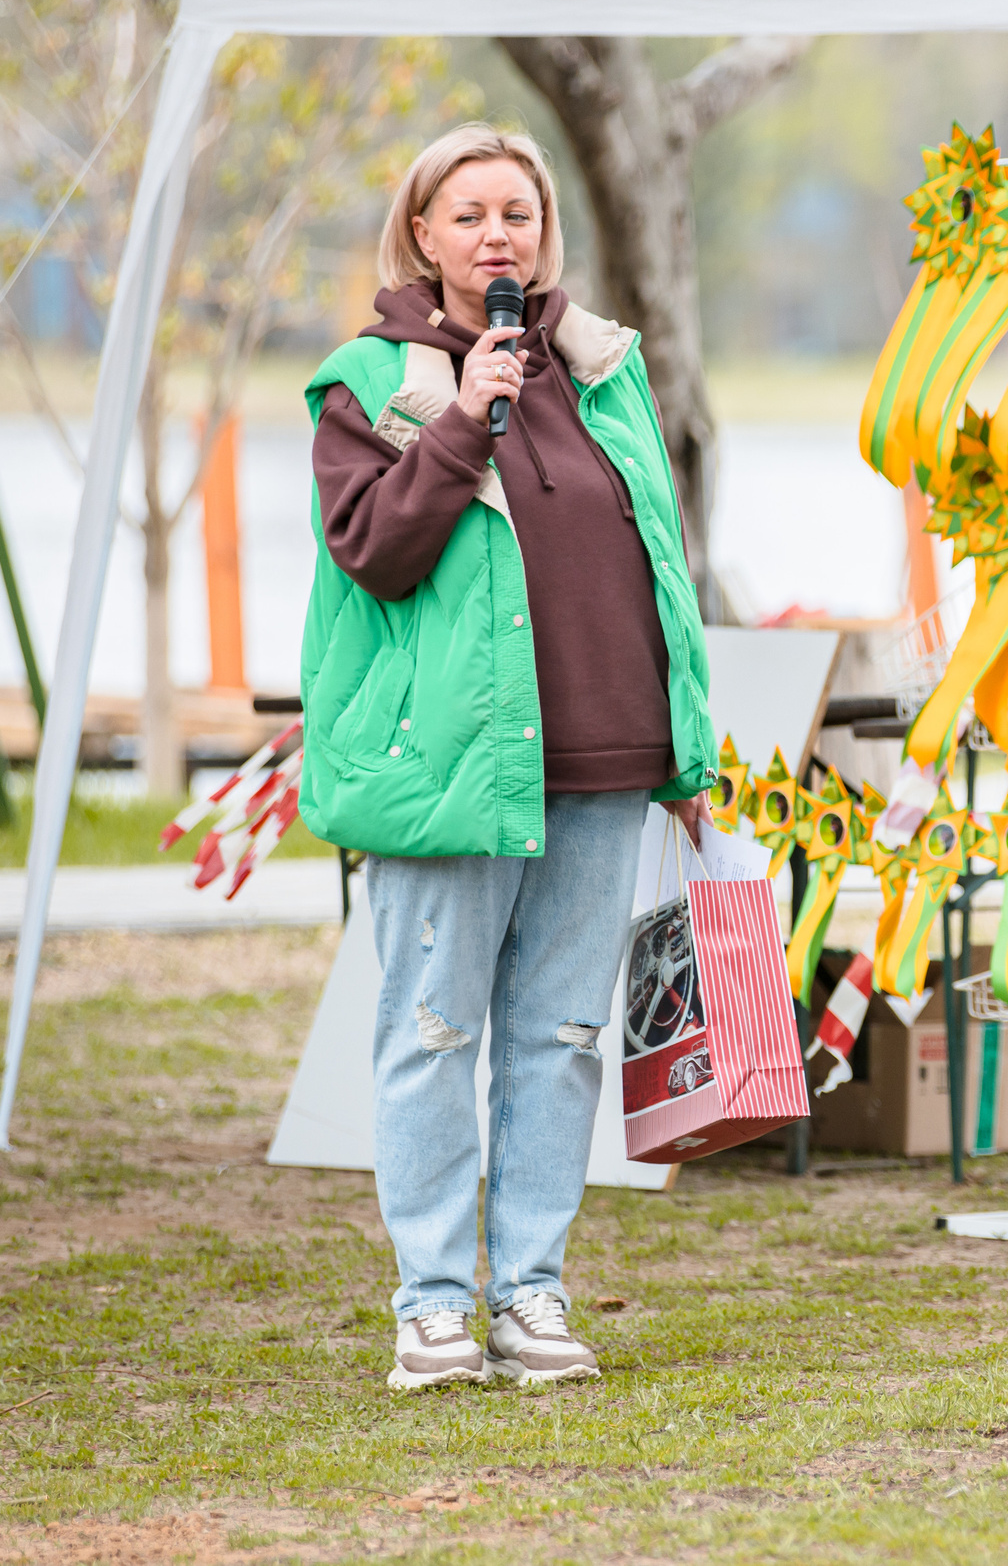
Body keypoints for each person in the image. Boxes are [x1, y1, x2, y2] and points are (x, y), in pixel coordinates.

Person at [301, 123, 715, 1393]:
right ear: (422, 234)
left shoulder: (601, 369)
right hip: (449, 767)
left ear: (545, 233)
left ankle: (531, 1290)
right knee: (432, 1033)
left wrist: (686, 748)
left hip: (603, 755)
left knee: (562, 1036)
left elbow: (659, 561)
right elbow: (372, 549)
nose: (497, 236)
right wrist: (463, 423)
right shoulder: (369, 382)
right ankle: (432, 1303)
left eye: (518, 214)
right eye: (470, 213)